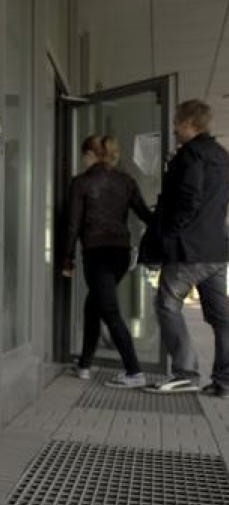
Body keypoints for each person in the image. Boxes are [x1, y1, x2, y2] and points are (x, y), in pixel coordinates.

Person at [146, 99, 229, 396]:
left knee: (167, 304)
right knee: (221, 318)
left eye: (176, 122)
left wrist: (170, 235)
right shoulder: (222, 155)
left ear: (188, 123)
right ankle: (224, 381)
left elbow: (189, 199)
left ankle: (185, 373)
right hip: (218, 250)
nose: (174, 128)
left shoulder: (191, 154)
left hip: (189, 250)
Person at [63, 134, 152, 387]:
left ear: (91, 154)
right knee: (93, 305)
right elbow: (145, 215)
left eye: (84, 155)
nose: (83, 161)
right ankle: (84, 365)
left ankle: (134, 372)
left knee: (109, 311)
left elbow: (73, 224)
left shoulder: (81, 182)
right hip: (121, 254)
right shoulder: (126, 181)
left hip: (97, 254)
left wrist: (67, 258)